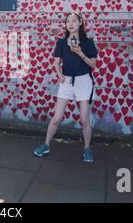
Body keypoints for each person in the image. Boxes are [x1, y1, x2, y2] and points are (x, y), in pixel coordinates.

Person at [34, 11, 98, 163]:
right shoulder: (61, 42)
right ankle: (46, 144)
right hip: (66, 82)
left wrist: (80, 52)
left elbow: (93, 64)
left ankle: (87, 148)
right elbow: (56, 62)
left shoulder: (88, 42)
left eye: (74, 21)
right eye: (68, 21)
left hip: (84, 82)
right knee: (57, 118)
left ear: (80, 23)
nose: (70, 24)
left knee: (84, 119)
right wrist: (59, 74)